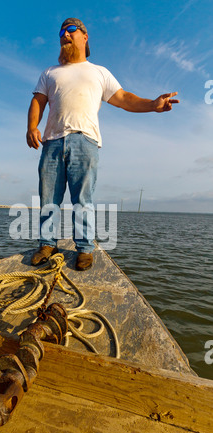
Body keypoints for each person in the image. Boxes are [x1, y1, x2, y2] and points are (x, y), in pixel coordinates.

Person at [26, 18, 179, 270]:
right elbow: (38, 102)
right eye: (62, 31)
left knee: (82, 198)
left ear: (84, 37)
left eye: (71, 30)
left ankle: (84, 248)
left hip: (85, 141)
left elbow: (123, 98)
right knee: (48, 198)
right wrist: (32, 126)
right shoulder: (49, 73)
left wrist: (153, 105)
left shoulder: (99, 72)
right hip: (52, 142)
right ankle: (47, 243)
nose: (65, 34)